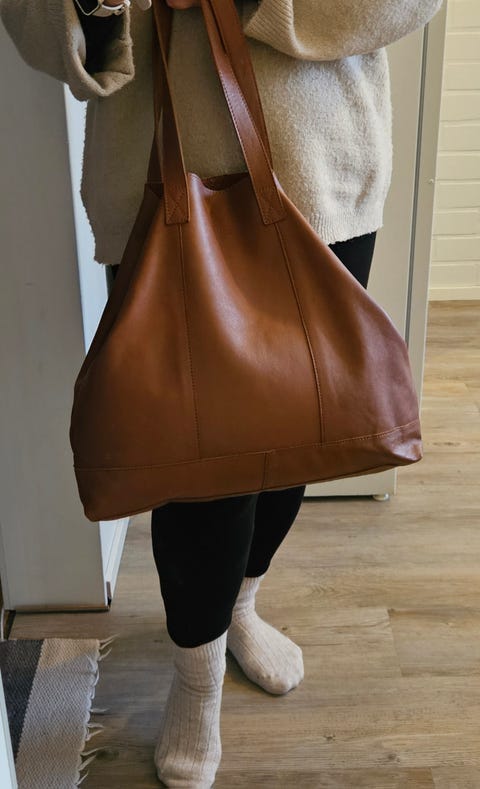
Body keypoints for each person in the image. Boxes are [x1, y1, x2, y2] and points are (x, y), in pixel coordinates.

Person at [1, 0, 443, 786]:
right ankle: (196, 674)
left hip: (320, 171)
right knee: (195, 465)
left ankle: (239, 605)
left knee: (302, 431)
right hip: (153, 183)